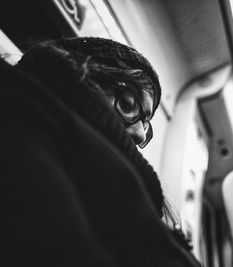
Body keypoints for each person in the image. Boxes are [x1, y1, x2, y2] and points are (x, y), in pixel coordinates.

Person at [1, 37, 200, 266]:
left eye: (145, 124)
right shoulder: (19, 122)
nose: (140, 135)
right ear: (77, 75)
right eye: (128, 103)